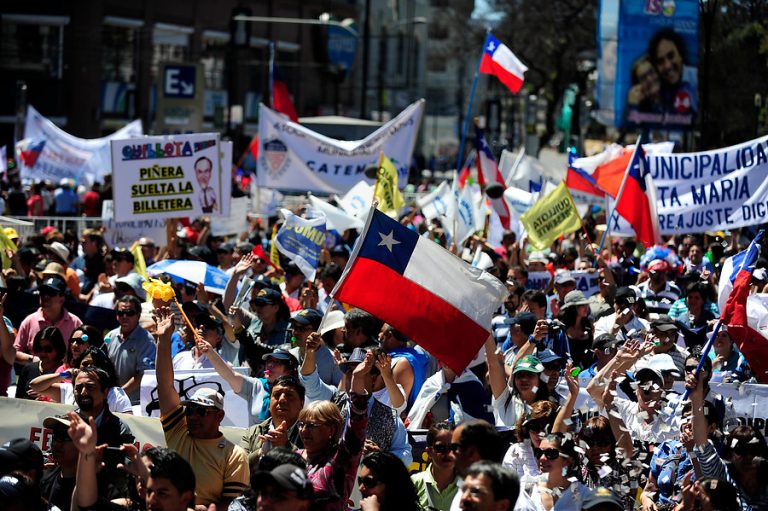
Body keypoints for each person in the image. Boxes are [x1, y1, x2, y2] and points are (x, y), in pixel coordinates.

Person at [153, 306, 250, 506]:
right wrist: (163, 340)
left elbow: (232, 506)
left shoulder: (234, 455)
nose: (193, 416)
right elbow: (164, 385)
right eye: (190, 410)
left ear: (219, 416)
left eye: (201, 411)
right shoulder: (178, 433)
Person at [688, 369, 768, 510]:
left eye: (754, 450)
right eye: (741, 450)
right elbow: (701, 442)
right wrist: (696, 398)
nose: (748, 456)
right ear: (730, 454)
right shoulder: (722, 476)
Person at [296, 362, 370, 511]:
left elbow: (357, 423)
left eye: (311, 425)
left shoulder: (342, 457)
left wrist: (357, 378)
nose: (303, 430)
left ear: (331, 429)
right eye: (301, 424)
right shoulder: (293, 457)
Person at [240, 375, 306, 471]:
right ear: (269, 403)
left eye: (289, 395)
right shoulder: (252, 432)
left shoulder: (310, 432)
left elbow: (312, 469)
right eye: (277, 395)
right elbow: (238, 466)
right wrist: (260, 453)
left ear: (301, 404)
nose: (282, 400)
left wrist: (286, 447)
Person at [14, 277, 82, 367]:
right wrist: (34, 360)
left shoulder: (75, 323)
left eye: (51, 293)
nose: (45, 296)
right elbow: (14, 352)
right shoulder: (29, 321)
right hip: (36, 373)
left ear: (62, 298)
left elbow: (84, 352)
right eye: (42, 292)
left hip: (65, 374)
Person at [105, 295, 156, 404]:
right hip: (111, 400)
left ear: (138, 315)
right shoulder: (110, 336)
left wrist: (119, 393)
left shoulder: (147, 341)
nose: (124, 316)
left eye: (130, 313)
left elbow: (143, 374)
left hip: (135, 403)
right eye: (121, 313)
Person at [502, 400, 557, 484]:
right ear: (526, 429)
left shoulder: (562, 456)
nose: (539, 434)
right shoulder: (516, 451)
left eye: (546, 428)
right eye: (534, 427)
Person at [411, 421, 460, 511]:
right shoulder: (414, 484)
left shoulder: (468, 486)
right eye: (440, 448)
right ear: (429, 452)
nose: (448, 453)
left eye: (453, 447)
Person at [648, 27, 697, 117]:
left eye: (671, 56)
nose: (667, 66)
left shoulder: (696, 79)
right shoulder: (658, 90)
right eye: (660, 61)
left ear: (680, 55)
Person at [16, 326, 66, 400]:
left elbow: (68, 396)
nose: (42, 353)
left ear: (58, 349)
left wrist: (46, 396)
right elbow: (18, 399)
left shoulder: (65, 371)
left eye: (48, 349)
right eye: (39, 348)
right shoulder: (28, 369)